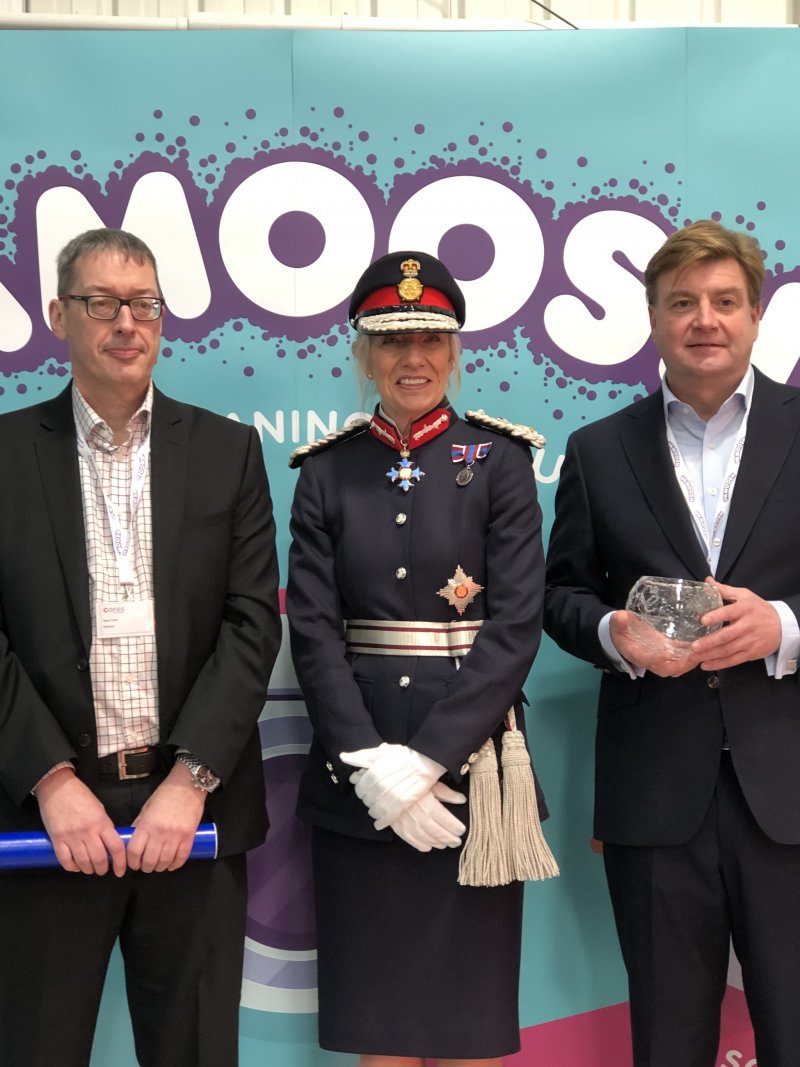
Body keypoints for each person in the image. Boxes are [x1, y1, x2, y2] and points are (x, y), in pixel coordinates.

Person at [0, 228, 281, 1067]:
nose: (128, 321)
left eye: (145, 303)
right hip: (46, 823)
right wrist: (52, 781)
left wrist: (190, 782)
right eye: (103, 302)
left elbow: (251, 624)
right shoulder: (5, 455)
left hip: (189, 820)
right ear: (59, 314)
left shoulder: (227, 452)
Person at [286, 250, 556, 1067]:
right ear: (364, 354)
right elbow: (314, 631)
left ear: (455, 351)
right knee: (384, 1030)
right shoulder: (326, 473)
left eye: (431, 339)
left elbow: (514, 628)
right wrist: (373, 766)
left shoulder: (501, 462)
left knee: (468, 1027)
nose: (414, 358)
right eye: (393, 339)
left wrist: (427, 761)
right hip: (356, 780)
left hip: (472, 775)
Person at [544, 219, 800, 1067]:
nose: (705, 320)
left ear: (758, 316)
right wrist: (615, 631)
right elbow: (559, 596)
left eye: (726, 302)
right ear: (653, 317)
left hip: (790, 793)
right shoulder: (598, 449)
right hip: (655, 798)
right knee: (667, 1042)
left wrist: (785, 625)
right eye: (683, 302)